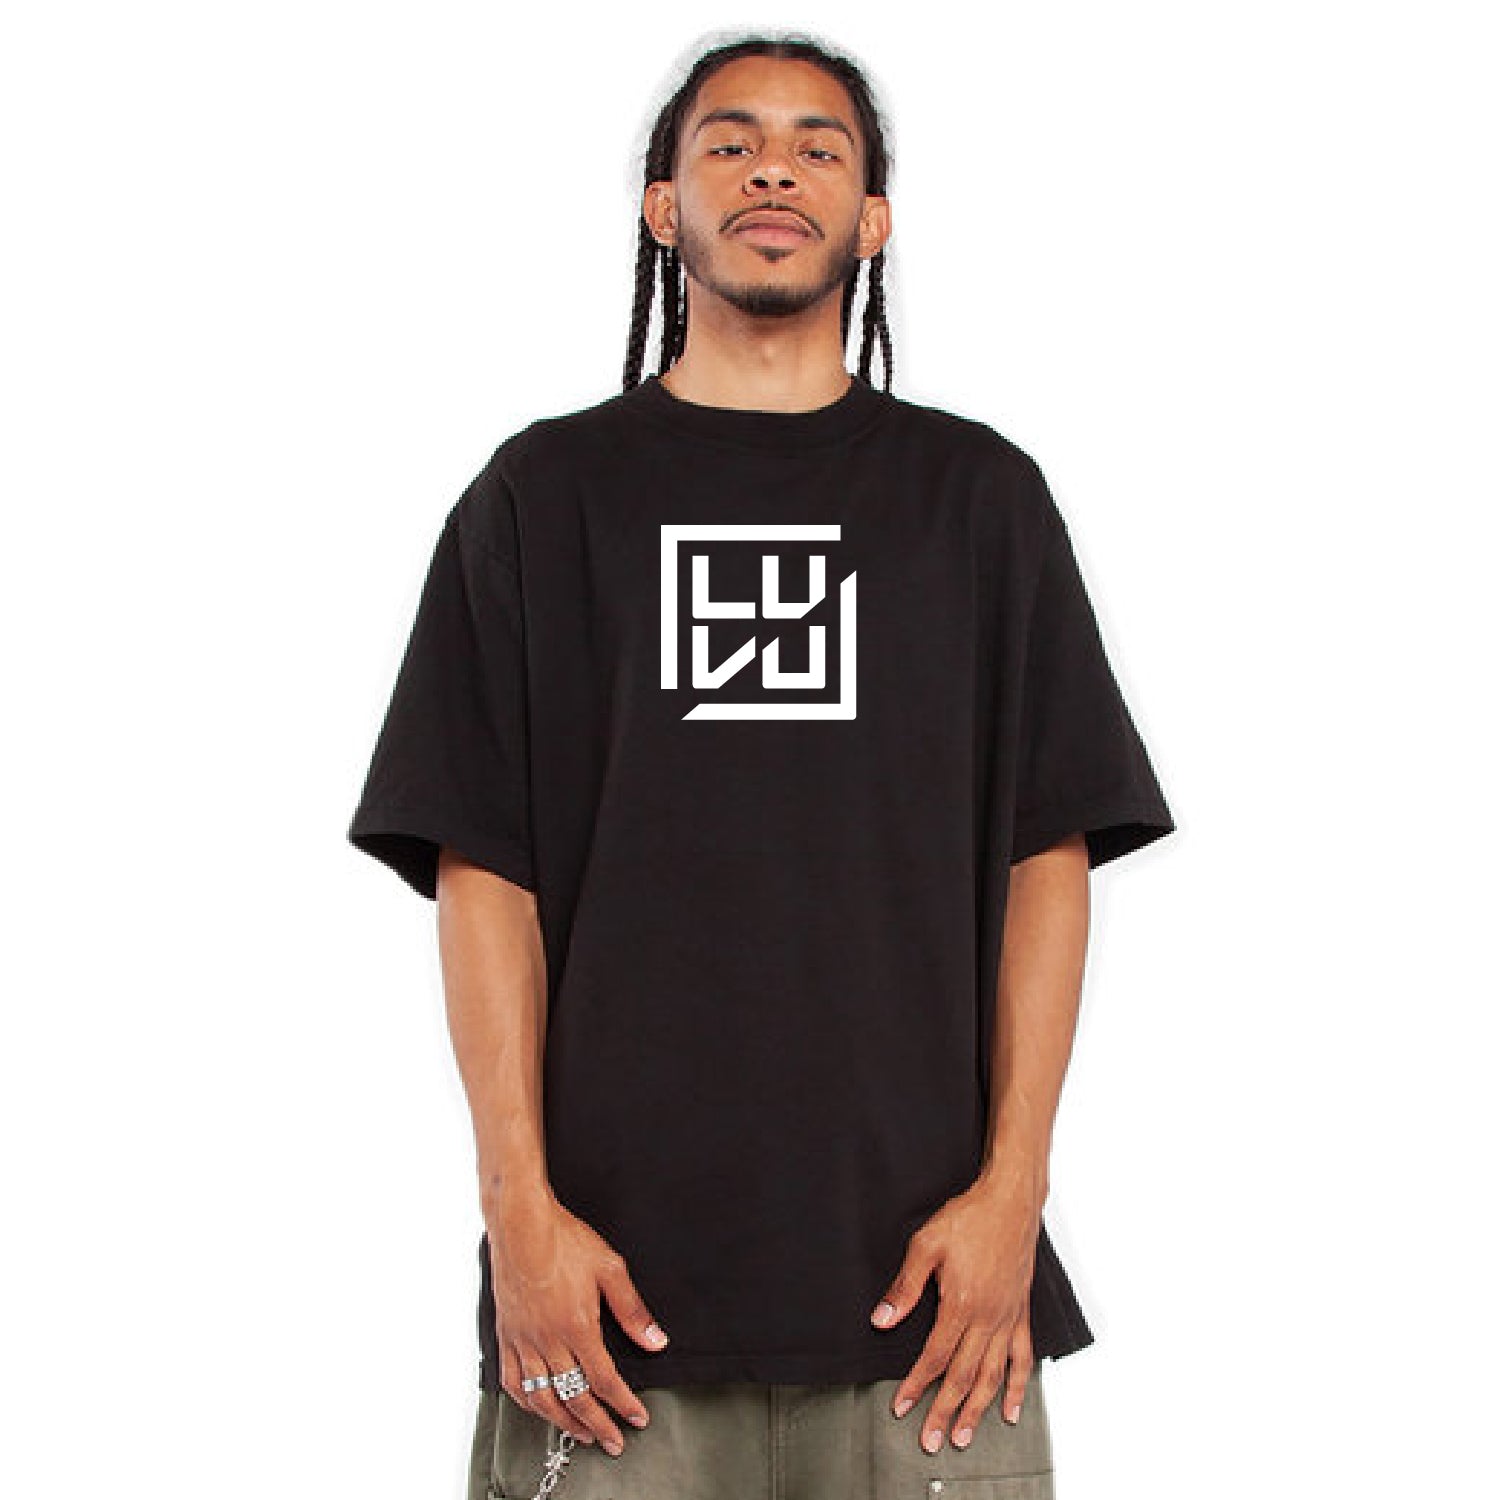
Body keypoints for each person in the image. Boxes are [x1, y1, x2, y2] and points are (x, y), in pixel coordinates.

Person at [347, 31, 1174, 1500]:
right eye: (728, 143)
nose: (773, 169)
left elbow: (1046, 856)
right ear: (661, 205)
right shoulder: (544, 497)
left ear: (874, 218)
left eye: (817, 146)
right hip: (603, 1316)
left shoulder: (976, 500)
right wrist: (518, 1219)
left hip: (934, 1322)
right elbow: (483, 872)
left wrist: (1013, 1197)